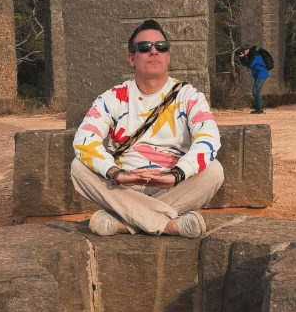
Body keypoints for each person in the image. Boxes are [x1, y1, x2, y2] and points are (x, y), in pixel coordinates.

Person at [70, 19, 224, 238]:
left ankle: (125, 224)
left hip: (173, 184)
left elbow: (208, 138)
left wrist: (176, 175)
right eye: (145, 48)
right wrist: (118, 174)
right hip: (125, 185)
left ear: (168, 57)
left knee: (214, 171)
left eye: (161, 47)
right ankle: (169, 225)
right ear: (131, 59)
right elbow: (85, 138)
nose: (154, 52)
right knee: (79, 167)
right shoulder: (112, 98)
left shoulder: (190, 96)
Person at [238, 45, 270, 114]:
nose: (242, 52)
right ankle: (259, 108)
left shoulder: (255, 55)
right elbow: (244, 64)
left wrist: (243, 57)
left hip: (262, 74)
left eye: (243, 51)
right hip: (258, 74)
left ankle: (260, 109)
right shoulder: (250, 55)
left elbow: (249, 64)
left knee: (256, 90)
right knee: (255, 91)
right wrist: (241, 58)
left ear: (247, 50)